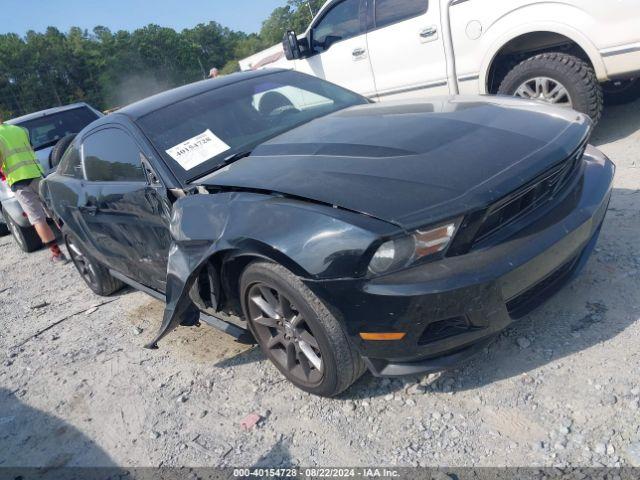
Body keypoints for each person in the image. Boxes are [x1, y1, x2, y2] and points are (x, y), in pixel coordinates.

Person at [0, 112, 67, 262]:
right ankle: (76, 242)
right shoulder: (20, 130)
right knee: (55, 211)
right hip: (37, 174)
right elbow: (29, 149)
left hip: (19, 182)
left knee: (37, 219)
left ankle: (57, 254)